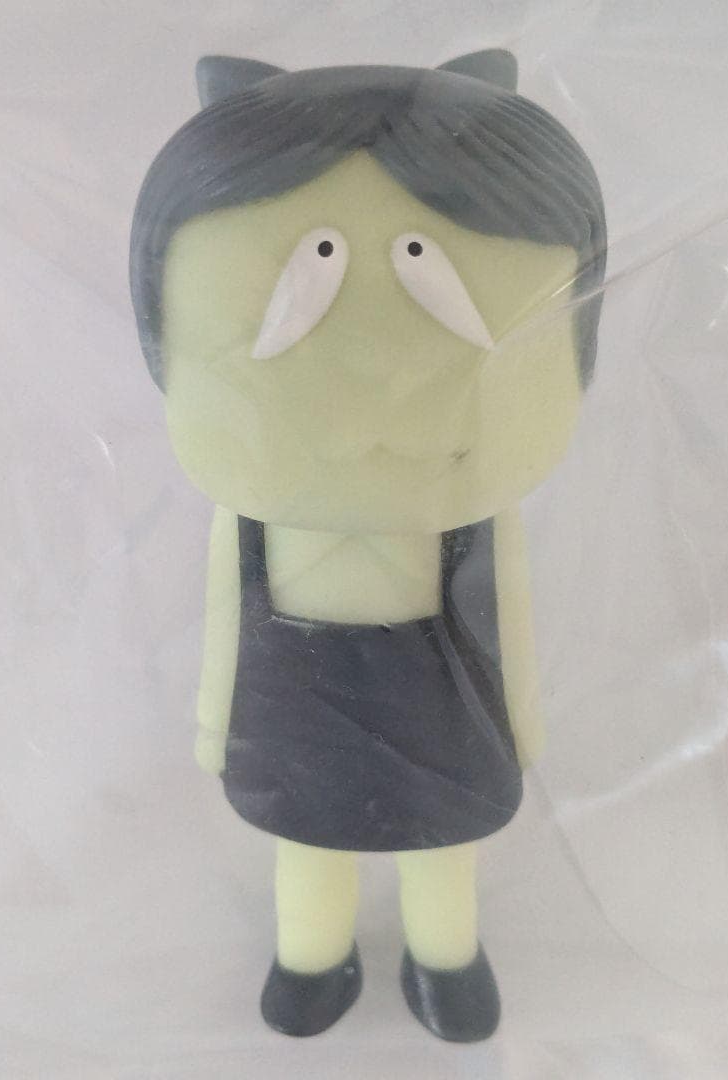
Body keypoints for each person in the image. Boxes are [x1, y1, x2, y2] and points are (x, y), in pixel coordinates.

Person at [130, 50, 607, 1042]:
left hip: (441, 696)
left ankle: (446, 957)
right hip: (296, 695)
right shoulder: (253, 516)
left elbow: (508, 615)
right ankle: (313, 957)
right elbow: (226, 612)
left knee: (443, 845)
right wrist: (217, 721)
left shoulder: (477, 518)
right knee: (307, 845)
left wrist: (518, 720)